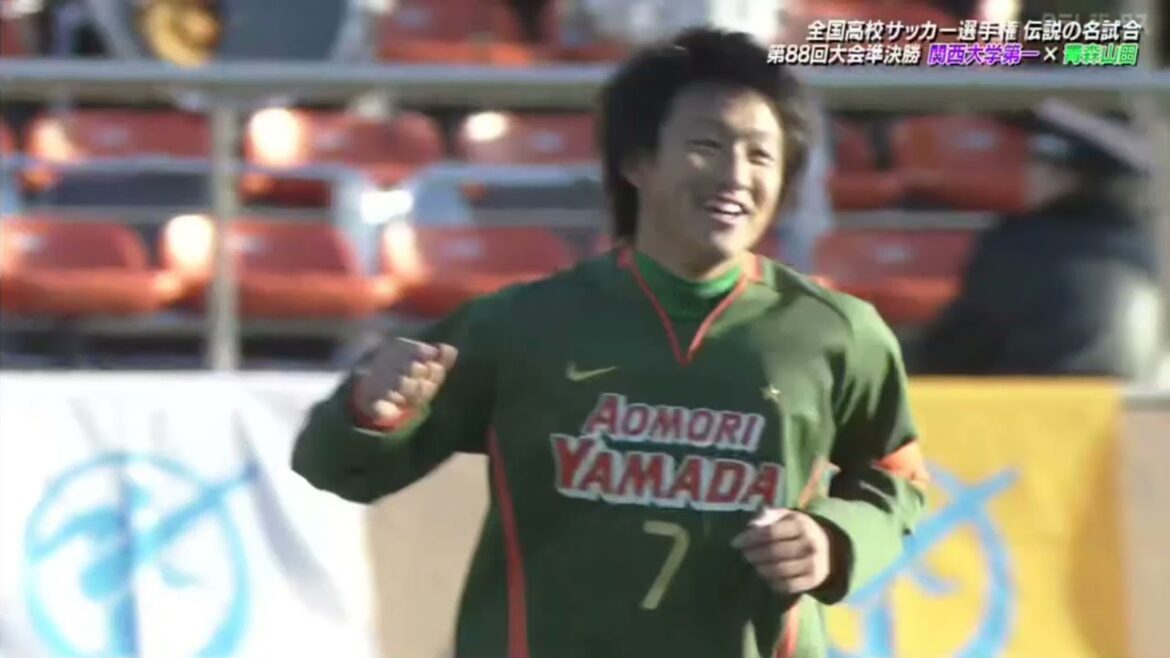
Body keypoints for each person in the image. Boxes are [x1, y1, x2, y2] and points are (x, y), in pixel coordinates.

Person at [291, 27, 927, 658]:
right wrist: (370, 410)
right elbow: (338, 468)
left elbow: (896, 480)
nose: (737, 174)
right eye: (707, 145)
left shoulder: (838, 333)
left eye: (761, 154)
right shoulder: (520, 325)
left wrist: (834, 539)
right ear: (636, 163)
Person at [910, 99, 1164, 381]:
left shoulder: (1023, 244)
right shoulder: (1145, 243)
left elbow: (953, 350)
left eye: (1040, 162)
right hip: (1133, 415)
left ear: (1068, 175)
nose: (1030, 173)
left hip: (1037, 415)